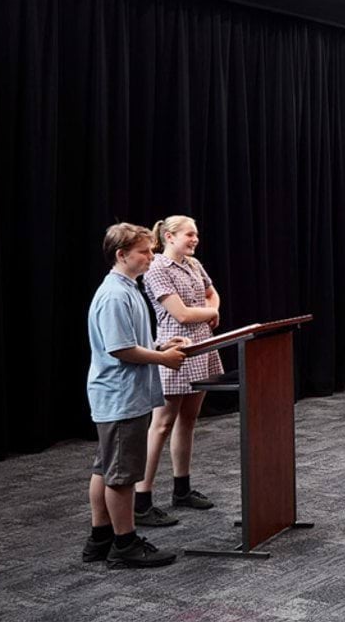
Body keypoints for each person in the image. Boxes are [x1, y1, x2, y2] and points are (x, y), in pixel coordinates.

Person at [83, 223, 188, 568]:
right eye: (144, 251)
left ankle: (101, 539)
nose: (151, 257)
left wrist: (160, 345)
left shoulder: (127, 288)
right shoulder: (115, 294)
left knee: (106, 468)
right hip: (120, 397)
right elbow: (120, 349)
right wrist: (163, 358)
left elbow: (131, 341)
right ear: (121, 255)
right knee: (123, 474)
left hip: (122, 396)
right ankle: (124, 544)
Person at [134, 215, 223, 525]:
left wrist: (212, 308)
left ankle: (181, 490)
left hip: (202, 348)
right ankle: (141, 500)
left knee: (189, 419)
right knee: (162, 424)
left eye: (196, 234)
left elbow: (212, 292)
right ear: (169, 237)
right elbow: (181, 314)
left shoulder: (193, 264)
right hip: (175, 350)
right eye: (189, 234)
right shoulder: (157, 268)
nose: (195, 239)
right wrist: (210, 312)